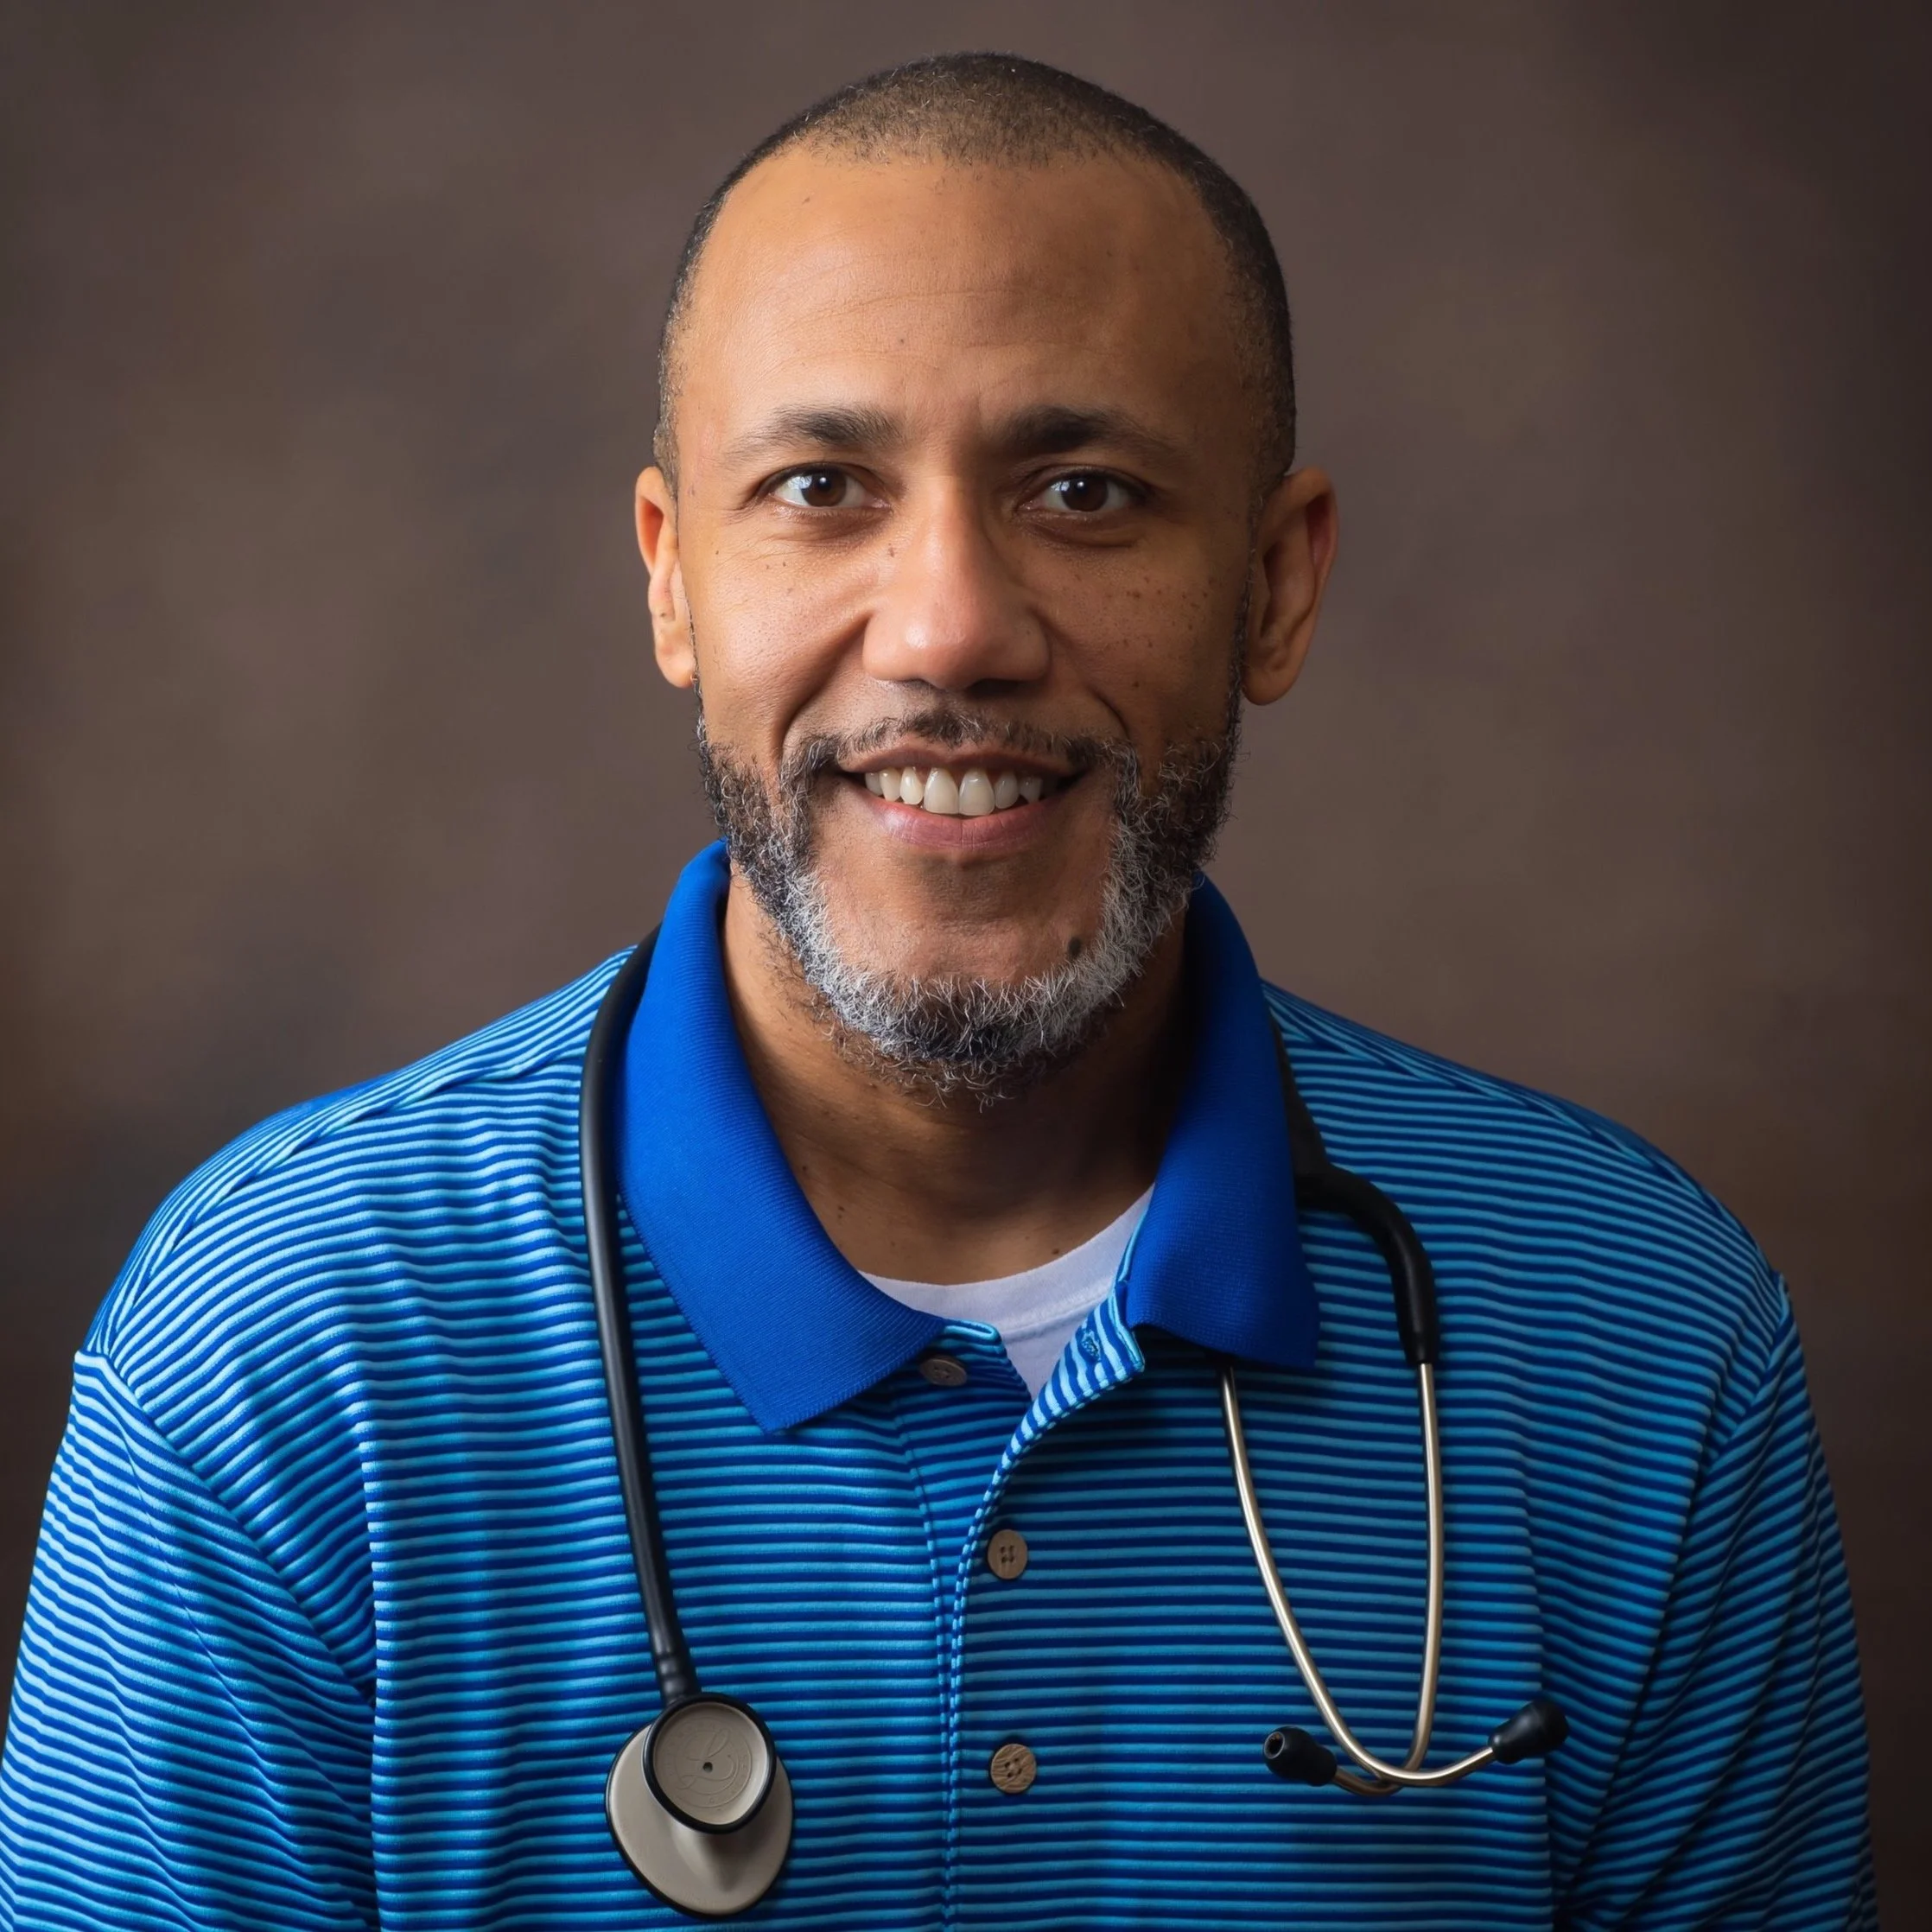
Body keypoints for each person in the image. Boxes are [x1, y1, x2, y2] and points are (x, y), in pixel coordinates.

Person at [0, 52, 1873, 1930]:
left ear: (1276, 586)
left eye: (1082, 488)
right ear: (674, 584)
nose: (949, 624)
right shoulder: (281, 1350)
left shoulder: (1641, 1350)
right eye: (821, 486)